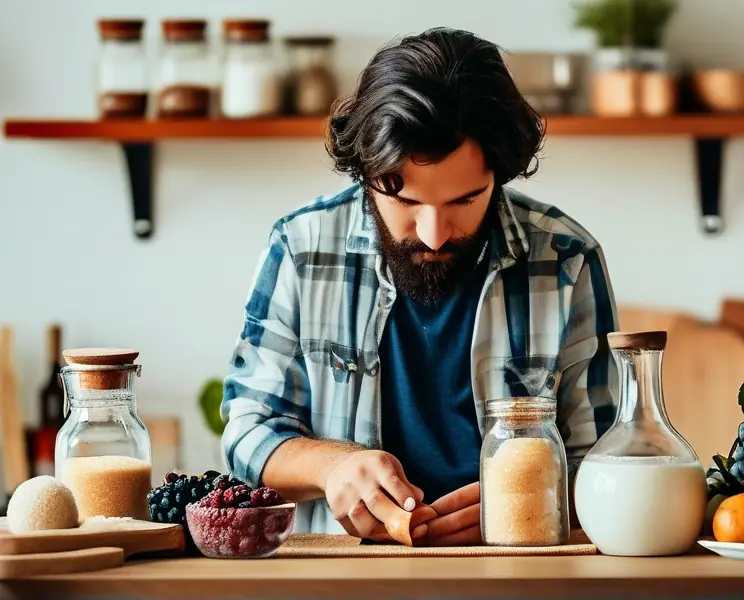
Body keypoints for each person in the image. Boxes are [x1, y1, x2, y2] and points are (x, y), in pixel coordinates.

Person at [221, 26, 618, 546]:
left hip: (519, 568)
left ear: (500, 175)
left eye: (463, 201)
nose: (433, 234)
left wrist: (527, 500)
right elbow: (248, 432)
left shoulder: (567, 260)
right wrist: (332, 467)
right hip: (345, 575)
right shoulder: (302, 248)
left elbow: (607, 465)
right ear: (366, 173)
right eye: (405, 202)